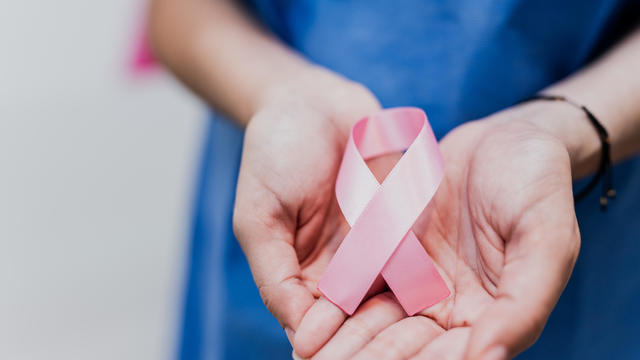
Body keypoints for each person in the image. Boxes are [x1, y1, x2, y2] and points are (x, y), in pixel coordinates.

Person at [149, 1, 640, 359]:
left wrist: (565, 125)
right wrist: (278, 93)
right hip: (303, 232)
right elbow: (179, 12)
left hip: (553, 255)